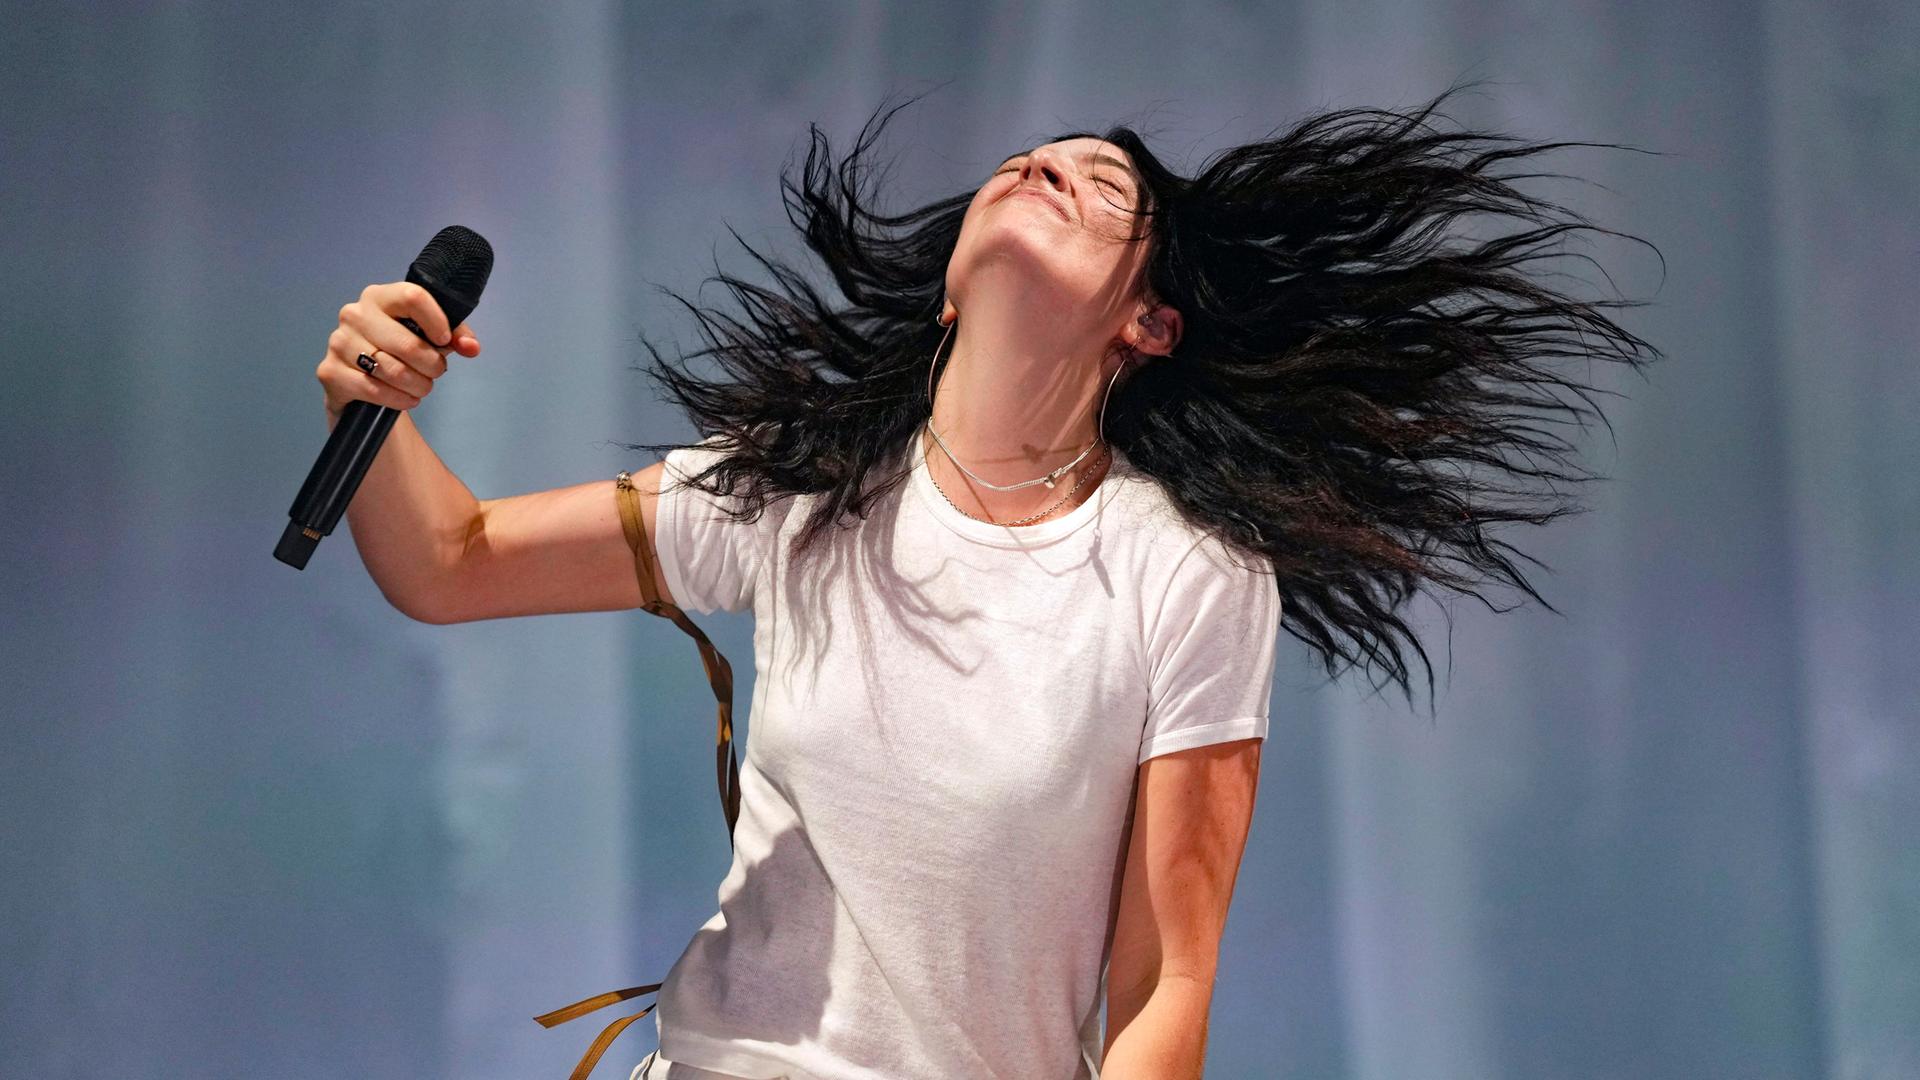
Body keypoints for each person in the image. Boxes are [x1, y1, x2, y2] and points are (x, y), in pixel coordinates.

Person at [315, 81, 1661, 1080]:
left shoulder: (1185, 574)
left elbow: (1162, 983)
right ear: (951, 288)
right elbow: (451, 564)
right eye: (1025, 161)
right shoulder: (801, 490)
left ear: (1150, 322)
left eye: (1102, 181)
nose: (1045, 166)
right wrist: (373, 409)